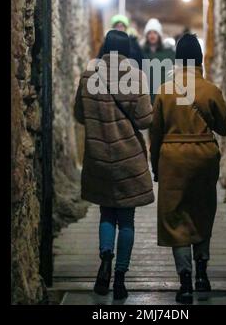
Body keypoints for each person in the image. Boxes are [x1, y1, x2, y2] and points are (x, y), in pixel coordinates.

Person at [150, 33, 226, 304]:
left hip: (172, 157)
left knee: (175, 218)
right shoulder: (210, 90)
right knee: (202, 211)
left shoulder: (164, 90)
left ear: (176, 60)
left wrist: (155, 166)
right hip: (204, 156)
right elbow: (225, 127)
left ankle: (184, 282)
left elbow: (156, 132)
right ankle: (202, 275)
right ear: (199, 59)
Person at [74, 30, 154, 300]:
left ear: (105, 47)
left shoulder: (89, 74)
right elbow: (144, 120)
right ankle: (120, 277)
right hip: (128, 158)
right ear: (127, 50)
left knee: (106, 214)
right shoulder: (134, 76)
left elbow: (79, 113)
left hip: (98, 156)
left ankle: (105, 262)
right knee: (127, 220)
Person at [142, 18, 175, 103]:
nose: (152, 35)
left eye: (155, 32)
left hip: (163, 96)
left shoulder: (169, 53)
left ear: (159, 35)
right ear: (146, 35)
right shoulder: (141, 52)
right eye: (149, 33)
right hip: (146, 95)